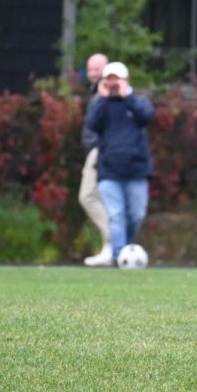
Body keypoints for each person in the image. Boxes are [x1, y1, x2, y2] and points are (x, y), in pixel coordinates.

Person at [86, 61, 154, 264]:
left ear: (126, 81)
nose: (113, 84)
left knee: (136, 214)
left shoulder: (137, 101)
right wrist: (102, 98)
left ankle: (125, 248)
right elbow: (91, 124)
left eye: (117, 80)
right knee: (116, 215)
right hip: (109, 170)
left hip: (136, 169)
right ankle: (118, 256)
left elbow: (147, 116)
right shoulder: (102, 104)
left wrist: (127, 96)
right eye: (109, 80)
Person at [79, 53, 114, 266]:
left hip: (101, 151)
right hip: (98, 150)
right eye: (90, 68)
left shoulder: (107, 92)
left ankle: (114, 243)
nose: (93, 73)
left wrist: (97, 147)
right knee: (103, 198)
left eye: (97, 68)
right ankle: (111, 247)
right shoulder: (95, 92)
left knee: (87, 195)